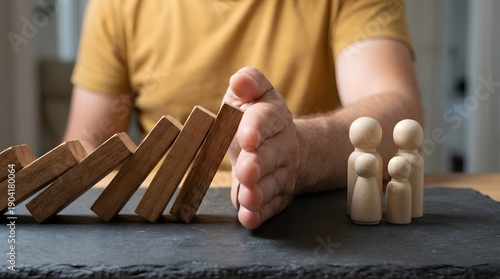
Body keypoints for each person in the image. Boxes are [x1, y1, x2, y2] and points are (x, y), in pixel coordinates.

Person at [64, 0, 423, 229]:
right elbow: (86, 154)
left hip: (314, 217)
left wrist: (299, 150)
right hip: (165, 221)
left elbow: (396, 111)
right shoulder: (116, 5)